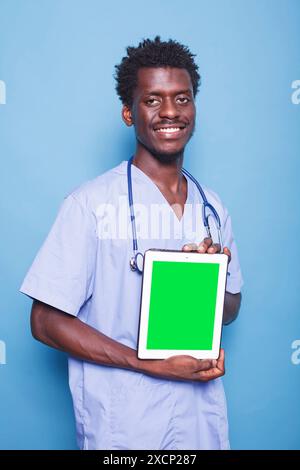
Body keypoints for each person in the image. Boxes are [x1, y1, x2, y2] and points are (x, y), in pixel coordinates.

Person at [20, 37, 243, 450]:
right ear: (128, 112)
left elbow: (230, 311)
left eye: (182, 98)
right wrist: (148, 364)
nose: (171, 112)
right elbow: (44, 322)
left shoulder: (212, 206)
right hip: (126, 423)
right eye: (153, 101)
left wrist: (212, 277)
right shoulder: (90, 204)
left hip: (199, 419)